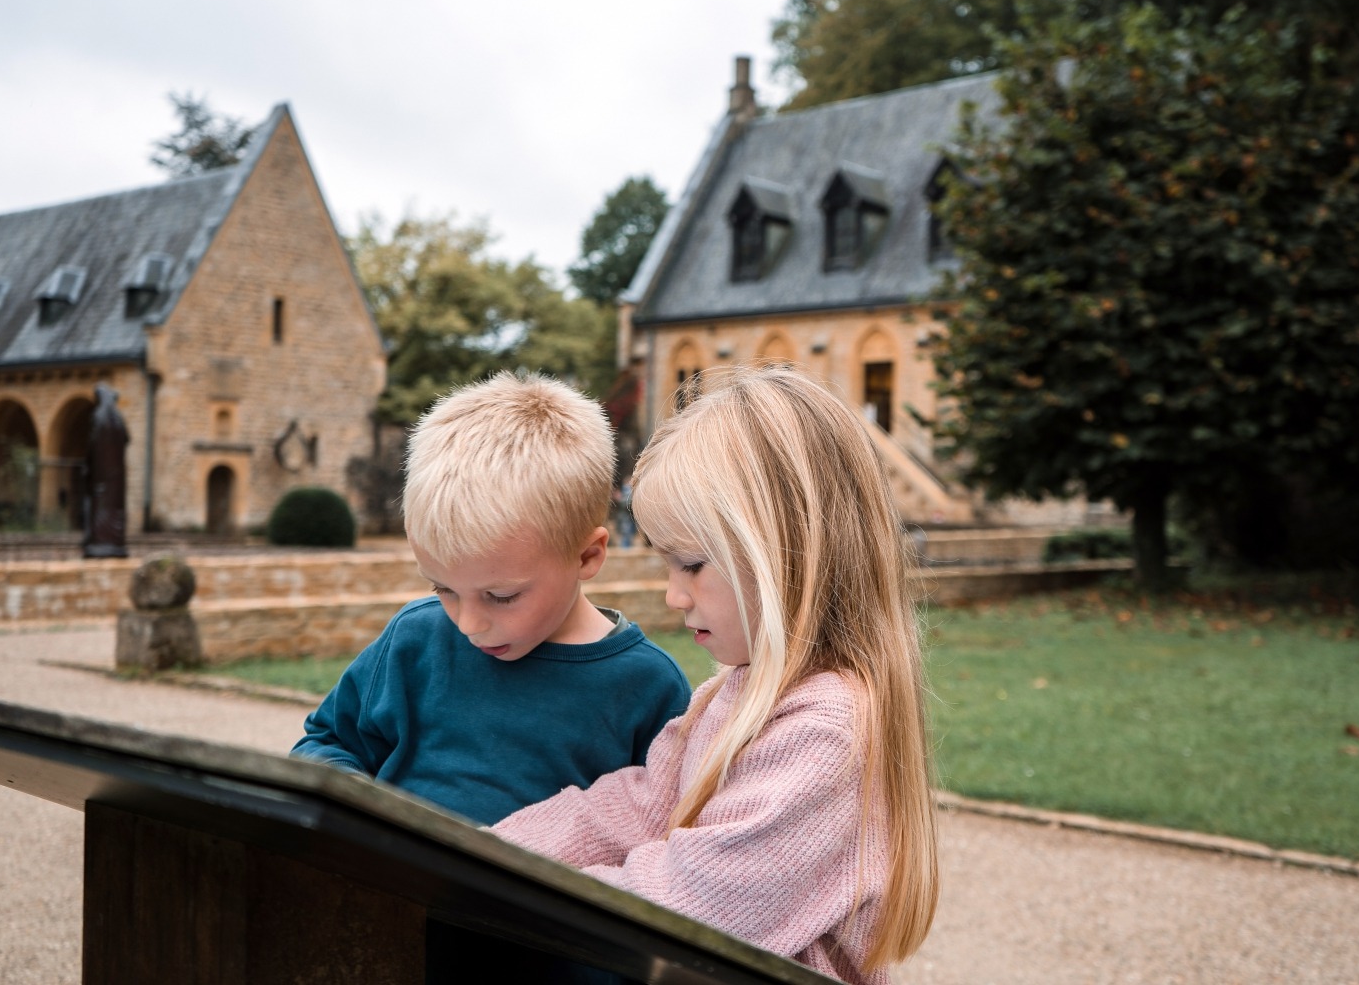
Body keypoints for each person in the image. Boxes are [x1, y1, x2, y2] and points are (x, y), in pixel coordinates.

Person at [494, 365, 940, 985]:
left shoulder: (826, 731)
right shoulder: (736, 693)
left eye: (692, 564)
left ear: (787, 550)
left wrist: (509, 895)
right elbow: (640, 805)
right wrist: (490, 851)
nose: (674, 595)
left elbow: (697, 905)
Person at [291, 371, 692, 828]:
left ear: (587, 556)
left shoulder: (649, 687)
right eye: (442, 589)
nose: (467, 624)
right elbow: (326, 745)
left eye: (501, 596)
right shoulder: (415, 639)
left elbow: (663, 832)